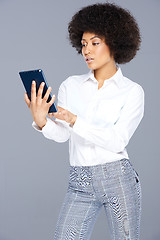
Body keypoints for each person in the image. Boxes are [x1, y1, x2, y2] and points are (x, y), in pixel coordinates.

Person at [25, 3, 144, 240]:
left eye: (95, 42)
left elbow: (117, 140)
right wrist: (43, 122)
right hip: (79, 181)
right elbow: (63, 135)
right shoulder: (71, 85)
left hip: (118, 180)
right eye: (83, 44)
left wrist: (75, 120)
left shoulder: (132, 91)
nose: (87, 50)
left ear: (115, 43)